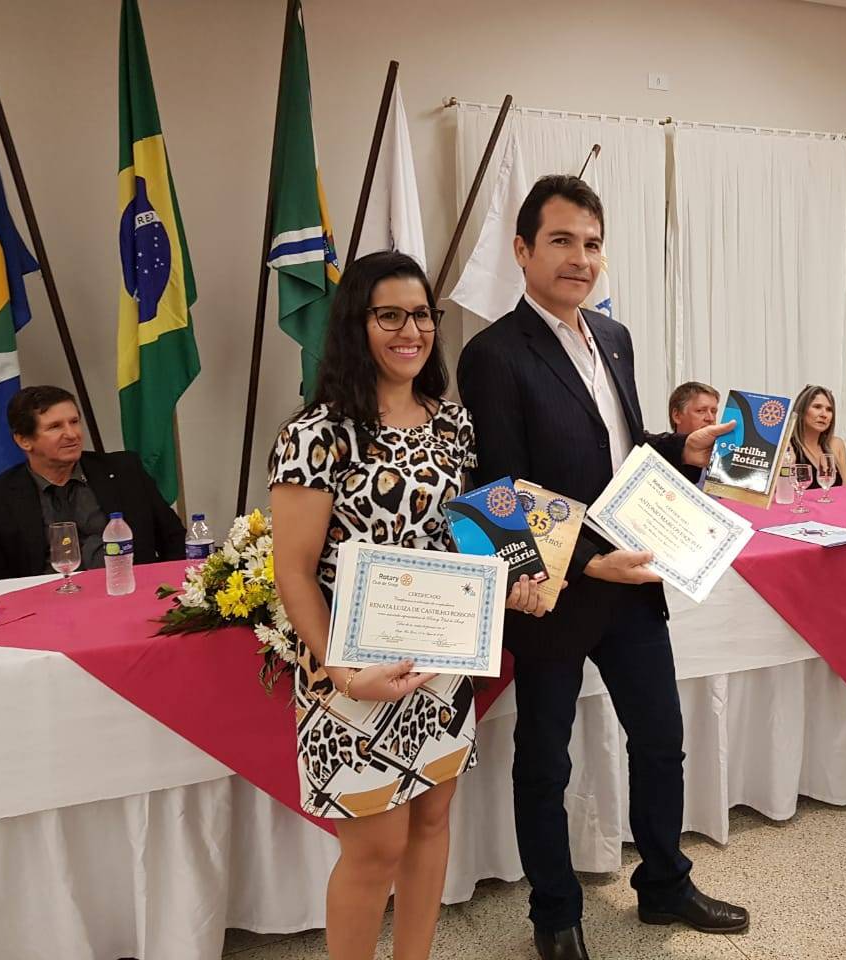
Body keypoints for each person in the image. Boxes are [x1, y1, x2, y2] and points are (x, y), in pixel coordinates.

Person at [457, 175, 748, 960]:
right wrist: (591, 564)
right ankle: (554, 915)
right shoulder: (491, 355)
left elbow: (617, 450)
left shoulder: (613, 337)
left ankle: (664, 886)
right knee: (544, 762)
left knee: (661, 739)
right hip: (554, 592)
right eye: (561, 241)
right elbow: (501, 492)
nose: (580, 258)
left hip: (634, 586)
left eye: (591, 244)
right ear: (522, 250)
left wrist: (677, 448)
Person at [269, 251, 546, 960]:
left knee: (430, 824)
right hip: (351, 674)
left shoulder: (453, 423)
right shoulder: (316, 433)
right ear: (354, 325)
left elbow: (474, 534)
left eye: (421, 315)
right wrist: (341, 671)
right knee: (374, 850)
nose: (411, 331)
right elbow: (293, 572)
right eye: (389, 315)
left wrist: (522, 575)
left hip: (442, 662)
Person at [0, 384, 185, 580]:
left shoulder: (124, 471)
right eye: (55, 427)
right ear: (24, 440)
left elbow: (173, 538)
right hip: (46, 601)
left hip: (128, 591)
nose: (71, 434)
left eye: (74, 422)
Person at [788, 384, 846, 486]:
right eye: (817, 407)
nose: (824, 415)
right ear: (802, 411)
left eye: (829, 409)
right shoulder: (787, 446)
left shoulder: (836, 444)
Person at [668, 381, 719, 483]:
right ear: (677, 416)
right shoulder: (656, 457)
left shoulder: (723, 462)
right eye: (701, 411)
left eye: (713, 411)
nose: (710, 418)